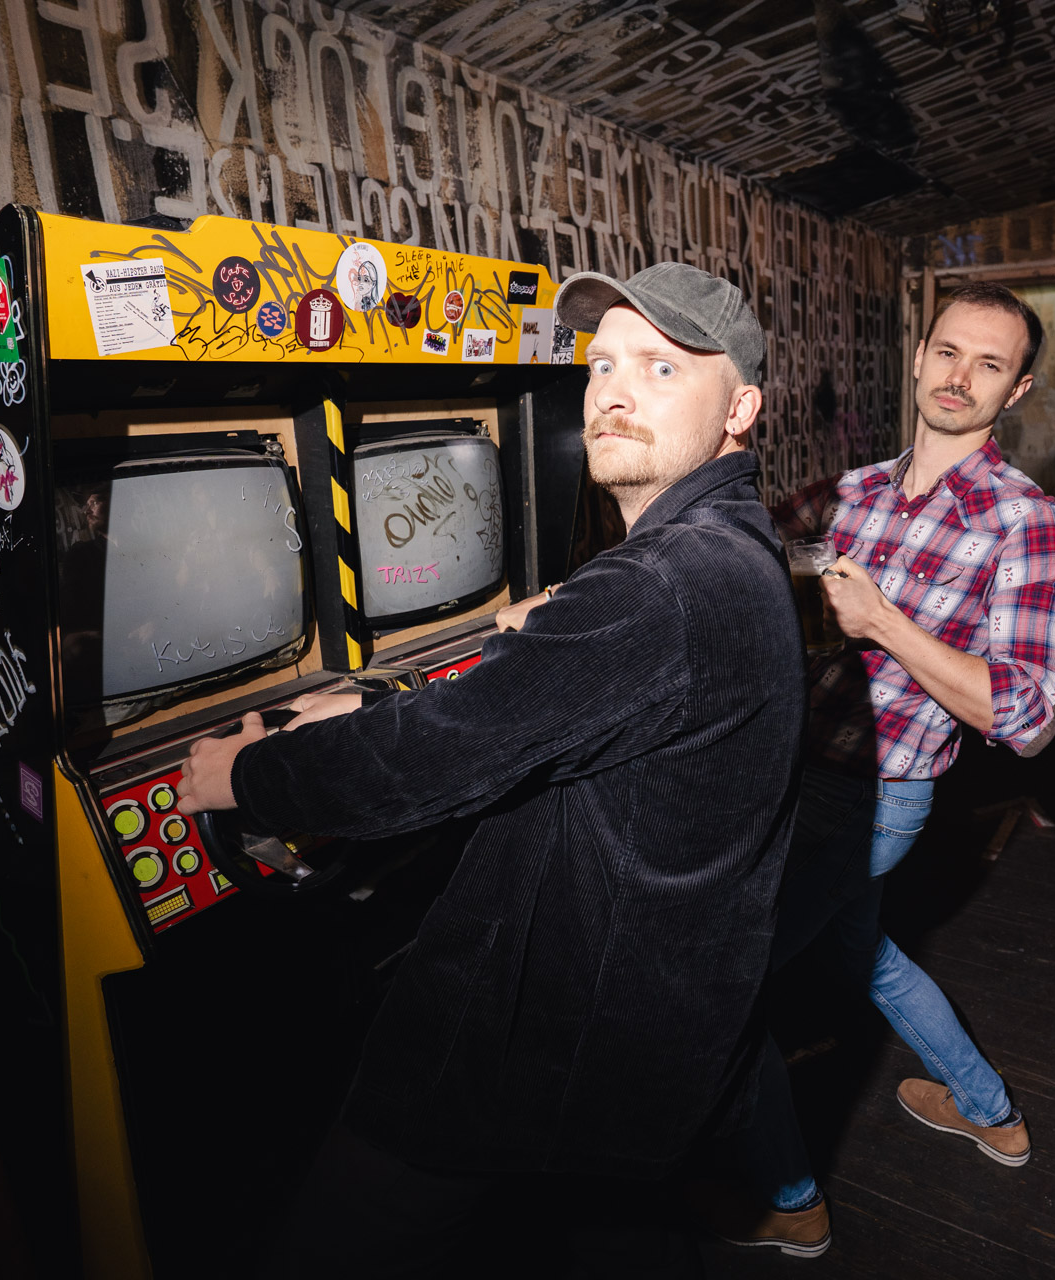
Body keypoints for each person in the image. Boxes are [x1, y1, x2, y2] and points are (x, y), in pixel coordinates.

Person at [175, 262, 807, 1278]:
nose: (613, 393)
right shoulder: (725, 546)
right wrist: (396, 692)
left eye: (660, 367)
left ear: (740, 408)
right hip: (650, 1025)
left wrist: (245, 775)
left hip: (551, 1036)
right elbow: (552, 693)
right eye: (602, 366)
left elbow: (433, 756)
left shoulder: (665, 586)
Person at [699, 280, 1055, 1256]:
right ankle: (990, 1110)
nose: (959, 376)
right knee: (862, 952)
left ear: (1017, 389)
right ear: (918, 357)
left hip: (874, 799)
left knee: (719, 988)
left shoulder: (1028, 522)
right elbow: (737, 563)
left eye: (989, 363)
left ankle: (792, 1199)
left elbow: (1028, 716)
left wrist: (884, 624)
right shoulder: (854, 490)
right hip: (795, 769)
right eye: (947, 351)